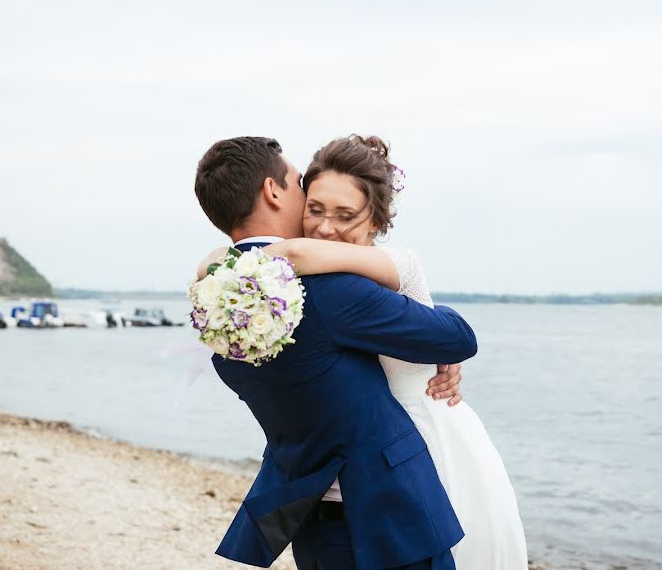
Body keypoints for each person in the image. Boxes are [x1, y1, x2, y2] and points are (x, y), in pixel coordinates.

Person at [193, 136, 477, 569]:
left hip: (312, 522)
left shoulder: (214, 304)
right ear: (273, 191)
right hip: (394, 517)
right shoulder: (327, 289)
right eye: (299, 184)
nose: (307, 197)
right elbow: (458, 337)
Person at [257, 135, 529, 569]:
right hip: (362, 463)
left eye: (345, 215)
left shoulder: (397, 264)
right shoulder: (306, 280)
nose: (326, 227)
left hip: (427, 444)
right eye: (316, 209)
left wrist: (234, 262)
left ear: (376, 222)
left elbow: (295, 250)